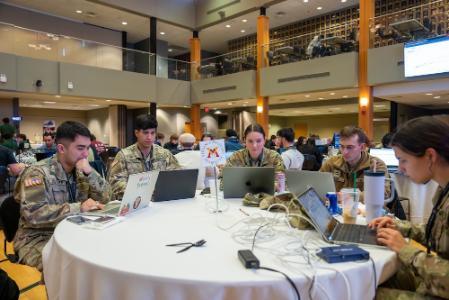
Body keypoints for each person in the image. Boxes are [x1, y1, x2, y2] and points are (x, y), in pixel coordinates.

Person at [369, 116, 449, 299]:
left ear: (430, 156)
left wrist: (405, 249)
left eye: (403, 160)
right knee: (367, 280)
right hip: (430, 282)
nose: (400, 168)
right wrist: (401, 227)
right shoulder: (443, 189)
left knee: (357, 293)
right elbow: (440, 235)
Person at [13, 121, 110, 271]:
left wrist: (90, 173)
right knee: (74, 268)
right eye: (80, 148)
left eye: (87, 148)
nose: (85, 154)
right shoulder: (37, 173)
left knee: (103, 255)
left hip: (76, 230)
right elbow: (33, 214)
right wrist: (79, 208)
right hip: (39, 238)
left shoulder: (82, 170)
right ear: (61, 148)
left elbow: (106, 198)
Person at [108, 114, 180, 201]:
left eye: (152, 133)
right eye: (145, 133)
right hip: (135, 204)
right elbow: (116, 184)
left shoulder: (164, 154)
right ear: (136, 133)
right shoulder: (124, 156)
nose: (149, 137)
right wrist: (145, 192)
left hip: (161, 203)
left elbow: (177, 176)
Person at [320, 126, 390, 200]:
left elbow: (382, 193)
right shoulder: (331, 163)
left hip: (366, 210)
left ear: (362, 147)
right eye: (342, 146)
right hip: (337, 209)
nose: (344, 152)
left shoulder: (376, 164)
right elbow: (317, 186)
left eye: (350, 147)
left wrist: (348, 196)